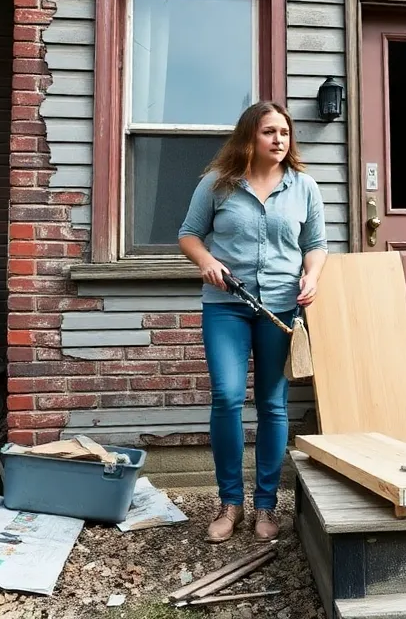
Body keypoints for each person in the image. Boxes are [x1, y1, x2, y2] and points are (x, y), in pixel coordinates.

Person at [178, 100, 328, 543]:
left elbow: (316, 244)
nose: (279, 140)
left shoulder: (304, 187)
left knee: (273, 404)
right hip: (226, 305)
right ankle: (230, 504)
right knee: (226, 397)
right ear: (250, 136)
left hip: (281, 308)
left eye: (284, 132)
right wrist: (206, 261)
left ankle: (265, 506)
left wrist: (312, 275)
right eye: (269, 132)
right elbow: (188, 233)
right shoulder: (217, 184)